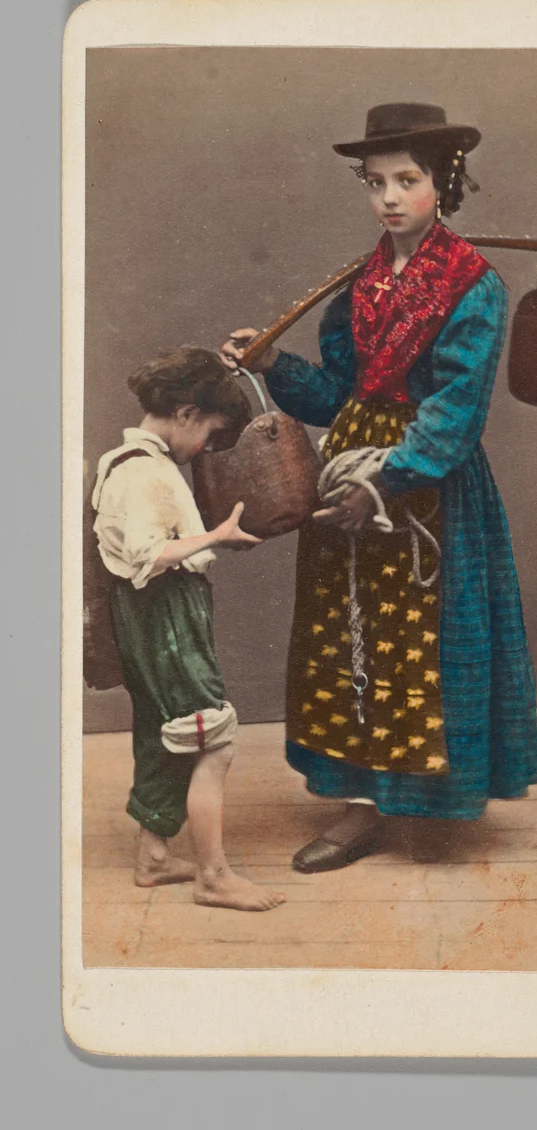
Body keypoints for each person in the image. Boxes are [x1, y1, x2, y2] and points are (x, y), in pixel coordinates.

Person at [221, 103, 537, 873]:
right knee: (347, 642)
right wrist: (273, 367)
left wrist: (386, 484)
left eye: (407, 180)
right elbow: (339, 396)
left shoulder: (474, 286)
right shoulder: (359, 284)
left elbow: (455, 408)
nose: (390, 198)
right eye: (375, 183)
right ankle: (360, 808)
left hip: (424, 482)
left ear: (444, 182)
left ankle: (427, 809)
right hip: (348, 474)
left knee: (422, 642)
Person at [92, 346, 285, 911]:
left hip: (142, 616)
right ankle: (213, 875)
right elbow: (149, 557)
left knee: (162, 732)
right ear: (183, 414)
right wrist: (214, 536)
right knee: (212, 740)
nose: (205, 447)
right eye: (208, 432)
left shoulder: (118, 459)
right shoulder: (148, 472)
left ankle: (154, 856)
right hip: (164, 614)